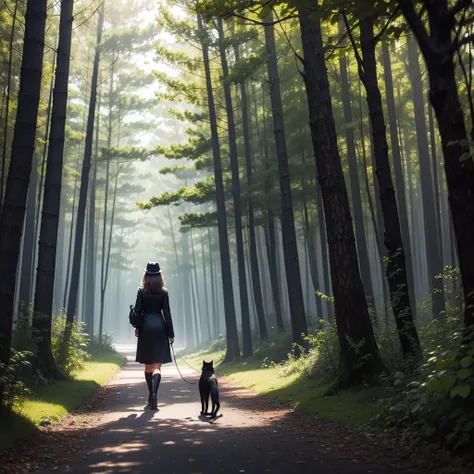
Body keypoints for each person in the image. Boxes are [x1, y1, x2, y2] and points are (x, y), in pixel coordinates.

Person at [134, 262, 175, 410]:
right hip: (160, 327)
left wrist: (138, 327)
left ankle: (150, 393)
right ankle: (155, 394)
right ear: (159, 275)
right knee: (157, 366)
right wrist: (171, 333)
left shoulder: (141, 291)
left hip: (145, 328)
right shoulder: (164, 292)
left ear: (146, 275)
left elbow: (138, 311)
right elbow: (167, 313)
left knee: (147, 365)